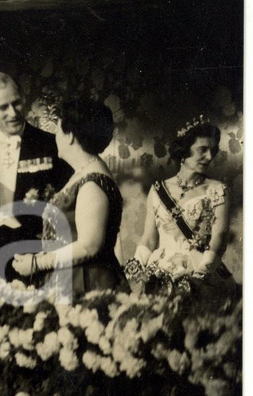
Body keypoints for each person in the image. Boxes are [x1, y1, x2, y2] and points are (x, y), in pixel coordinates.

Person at [0, 72, 72, 276]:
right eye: (3, 107)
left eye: (16, 103)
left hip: (37, 261)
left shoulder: (51, 145)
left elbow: (70, 207)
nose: (13, 112)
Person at [12, 100, 125, 296]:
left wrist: (37, 263)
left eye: (58, 131)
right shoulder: (83, 173)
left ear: (70, 135)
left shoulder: (93, 182)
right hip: (73, 278)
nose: (55, 137)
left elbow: (89, 245)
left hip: (87, 283)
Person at [126, 119, 235, 297]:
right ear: (184, 150)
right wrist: (135, 269)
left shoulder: (218, 190)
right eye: (202, 150)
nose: (209, 157)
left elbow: (219, 238)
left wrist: (201, 275)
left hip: (199, 272)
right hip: (160, 273)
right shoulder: (158, 189)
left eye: (212, 151)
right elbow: (149, 239)